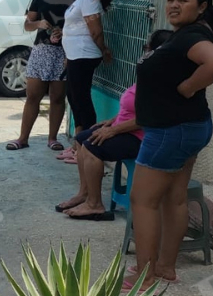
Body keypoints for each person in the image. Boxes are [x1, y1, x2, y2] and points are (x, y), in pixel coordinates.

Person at [126, 0, 213, 291]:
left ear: (201, 6)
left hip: (169, 131)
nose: (174, 5)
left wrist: (191, 86)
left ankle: (144, 276)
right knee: (174, 199)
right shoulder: (195, 34)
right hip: (189, 127)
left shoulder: (192, 36)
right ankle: (164, 268)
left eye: (184, 0)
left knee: (143, 201)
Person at [58, 30, 174, 218]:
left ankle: (95, 204)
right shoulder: (152, 71)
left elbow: (149, 116)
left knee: (91, 146)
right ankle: (85, 193)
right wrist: (112, 121)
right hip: (126, 129)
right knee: (81, 138)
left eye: (147, 48)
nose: (145, 52)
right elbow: (134, 106)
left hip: (142, 137)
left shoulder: (165, 79)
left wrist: (113, 130)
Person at [7, 0, 77, 151]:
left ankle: (52, 138)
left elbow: (82, 26)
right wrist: (39, 23)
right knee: (32, 96)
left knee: (57, 97)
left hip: (64, 52)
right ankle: (23, 138)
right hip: (42, 50)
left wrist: (66, 32)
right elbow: (27, 24)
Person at [59, 0, 113, 158]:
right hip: (75, 55)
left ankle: (88, 149)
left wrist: (104, 50)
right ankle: (77, 145)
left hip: (84, 55)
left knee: (81, 100)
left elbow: (95, 30)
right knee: (73, 98)